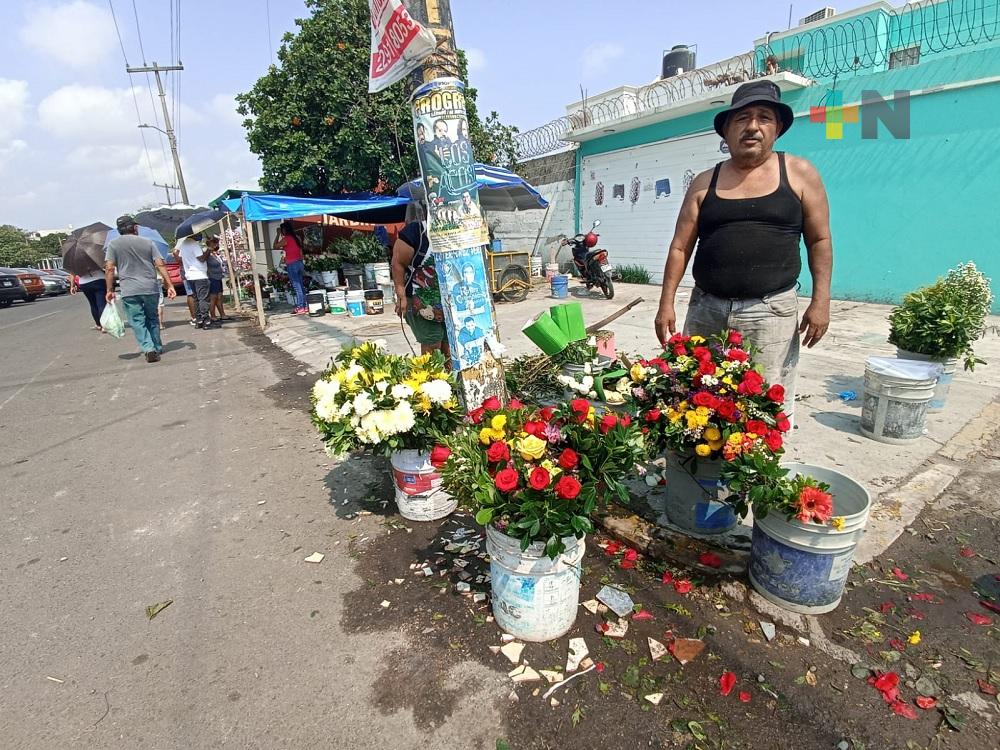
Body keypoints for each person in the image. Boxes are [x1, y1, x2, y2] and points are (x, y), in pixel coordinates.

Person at [654, 80, 832, 423]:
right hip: (706, 310)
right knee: (695, 397)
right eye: (742, 119)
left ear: (777, 128)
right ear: (727, 131)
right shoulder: (705, 181)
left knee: (763, 405)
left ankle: (758, 475)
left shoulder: (798, 174)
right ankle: (700, 472)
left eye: (763, 117)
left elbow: (820, 240)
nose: (752, 127)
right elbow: (680, 246)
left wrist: (821, 301)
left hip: (770, 312)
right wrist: (666, 304)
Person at [105, 215, 176, 363]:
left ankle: (148, 347)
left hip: (129, 289)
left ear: (119, 230)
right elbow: (160, 264)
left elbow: (110, 268)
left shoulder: (113, 245)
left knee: (137, 321)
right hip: (149, 287)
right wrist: (169, 285)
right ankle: (157, 346)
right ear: (135, 227)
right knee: (153, 318)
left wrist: (109, 289)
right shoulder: (148, 242)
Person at [391, 217, 451, 362]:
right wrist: (401, 297)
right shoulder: (417, 232)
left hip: (449, 301)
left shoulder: (459, 230)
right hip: (421, 300)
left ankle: (449, 380)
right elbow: (397, 263)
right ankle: (432, 380)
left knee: (449, 345)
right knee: (432, 342)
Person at [177, 233, 213, 328]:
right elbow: (201, 258)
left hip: (190, 275)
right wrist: (209, 249)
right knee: (203, 298)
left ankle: (199, 320)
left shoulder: (184, 244)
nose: (200, 234)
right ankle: (206, 320)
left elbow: (180, 257)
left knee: (196, 298)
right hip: (199, 274)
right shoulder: (194, 244)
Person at [275, 221, 306, 314]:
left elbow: (275, 246)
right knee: (301, 285)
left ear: (284, 230)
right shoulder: (297, 238)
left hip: (292, 264)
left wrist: (277, 235)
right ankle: (305, 306)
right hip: (299, 263)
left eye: (282, 230)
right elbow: (301, 252)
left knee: (297, 287)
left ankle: (301, 307)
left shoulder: (286, 239)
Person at [70, 266, 107, 331]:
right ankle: (104, 326)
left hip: (85, 283)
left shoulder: (76, 260)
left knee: (93, 304)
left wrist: (72, 286)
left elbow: (72, 274)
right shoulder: (95, 256)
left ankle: (98, 325)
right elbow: (105, 266)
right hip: (99, 279)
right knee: (101, 303)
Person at [206, 236, 228, 323]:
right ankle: (213, 315)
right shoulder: (208, 254)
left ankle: (222, 314)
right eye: (216, 244)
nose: (217, 245)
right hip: (212, 277)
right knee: (213, 297)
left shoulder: (215, 254)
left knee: (219, 296)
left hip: (218, 277)